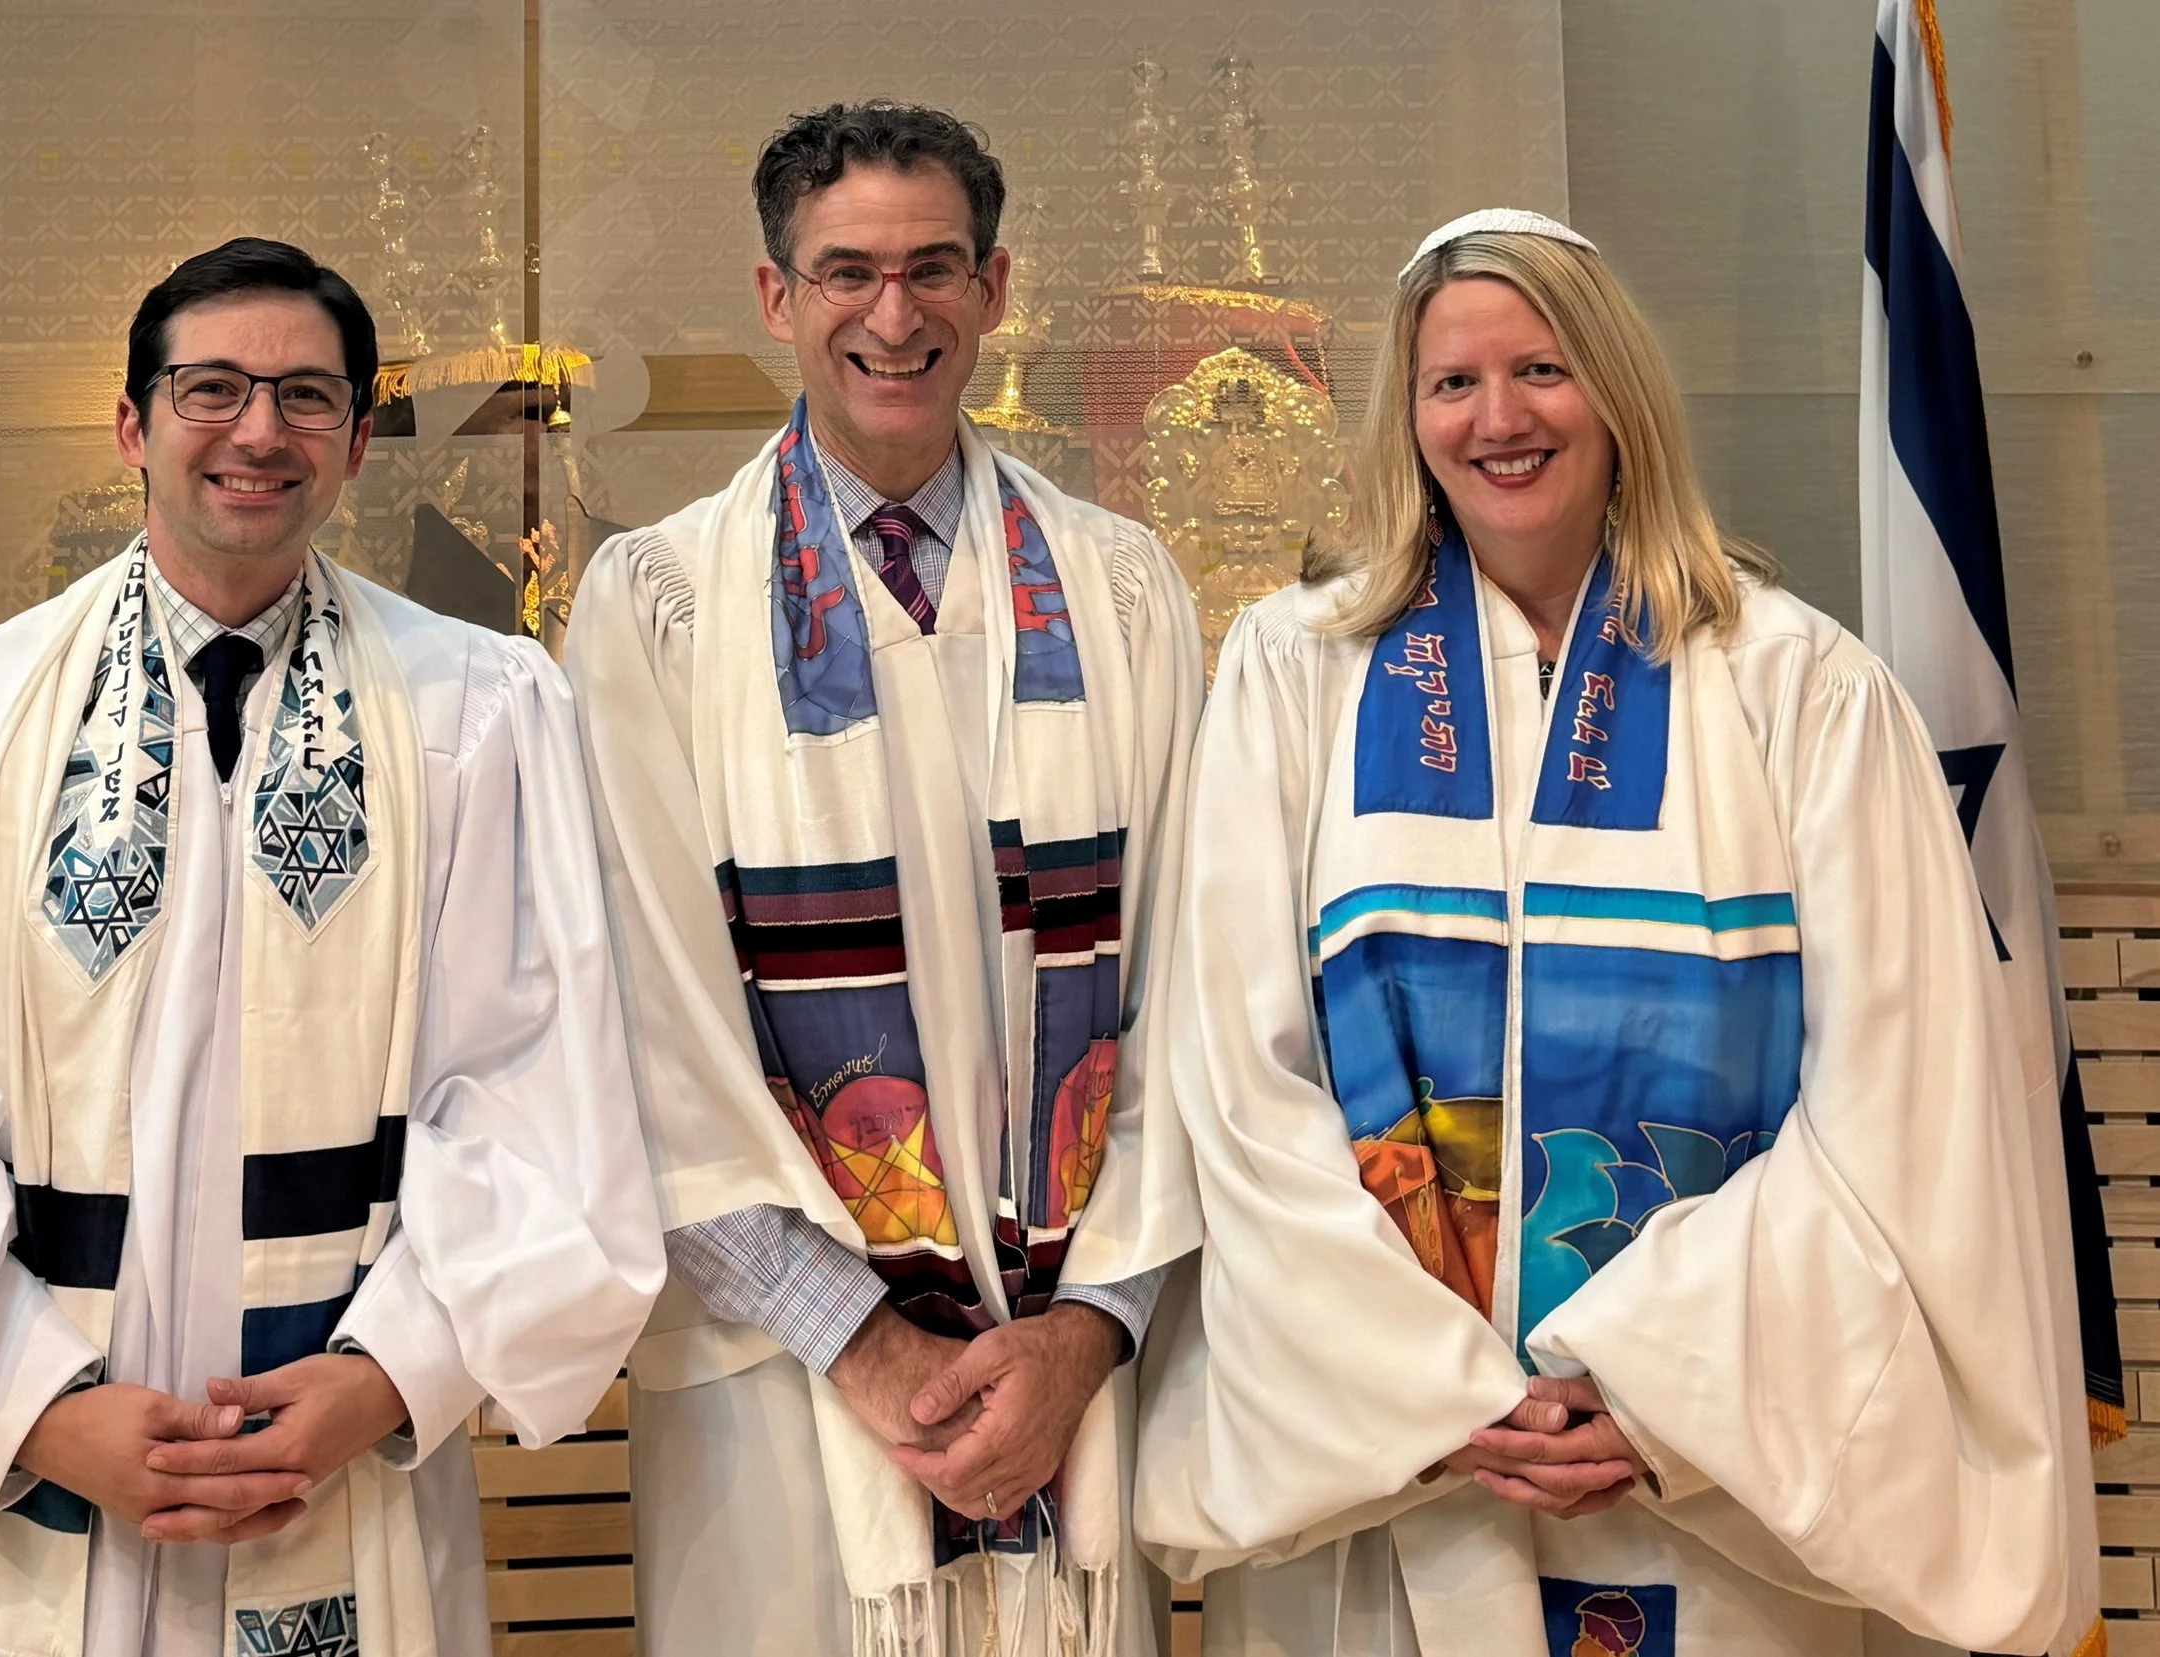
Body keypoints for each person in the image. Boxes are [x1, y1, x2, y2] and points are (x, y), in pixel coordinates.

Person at [1132, 209, 2090, 1656]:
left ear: (1620, 395)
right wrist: (1428, 1391)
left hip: (1709, 1473)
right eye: (1454, 383)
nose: (1498, 419)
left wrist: (1653, 1388)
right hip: (1392, 1470)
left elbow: (1907, 1098)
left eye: (1543, 371)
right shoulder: (1296, 675)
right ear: (1409, 417)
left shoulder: (1799, 691)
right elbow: (1233, 1071)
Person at [0, 236, 665, 1657]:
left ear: (351, 447)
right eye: (211, 388)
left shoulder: (484, 721)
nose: (259, 431)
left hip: (338, 1476)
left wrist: (385, 1378)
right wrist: (33, 1407)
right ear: (132, 425)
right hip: (29, 1499)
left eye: (307, 398)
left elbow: (547, 1094)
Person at [564, 102, 1203, 1656]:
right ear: (779, 299)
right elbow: (649, 1027)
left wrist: (1085, 1335)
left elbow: (1199, 989)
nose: (894, 314)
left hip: (1073, 1381)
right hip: (781, 1385)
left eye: (934, 269)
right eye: (847, 272)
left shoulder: (1120, 590)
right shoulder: (658, 607)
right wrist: (856, 1344)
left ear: (995, 287)